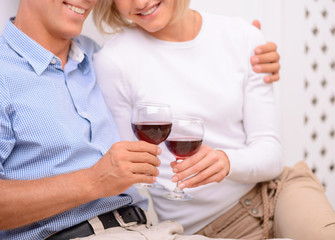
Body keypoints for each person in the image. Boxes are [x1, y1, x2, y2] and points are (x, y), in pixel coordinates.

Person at [0, 1, 275, 240]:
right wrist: (92, 181)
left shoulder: (97, 58)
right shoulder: (5, 74)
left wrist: (247, 50)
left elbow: (169, 58)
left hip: (151, 230)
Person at [92, 0, 335, 240]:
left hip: (274, 193)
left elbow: (271, 155)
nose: (140, 2)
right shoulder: (114, 61)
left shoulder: (242, 37)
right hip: (206, 230)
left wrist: (227, 162)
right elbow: (132, 173)